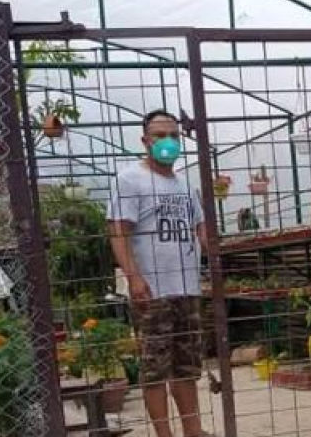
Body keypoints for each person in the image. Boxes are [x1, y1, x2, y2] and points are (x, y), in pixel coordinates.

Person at [108, 110, 208, 437]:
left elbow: (201, 230)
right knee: (155, 369)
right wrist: (134, 278)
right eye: (160, 136)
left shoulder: (185, 184)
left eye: (174, 136)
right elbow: (118, 231)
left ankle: (194, 431)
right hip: (152, 290)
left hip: (187, 287)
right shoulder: (129, 179)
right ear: (145, 140)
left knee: (186, 367)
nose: (168, 142)